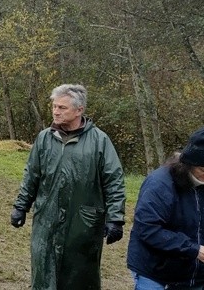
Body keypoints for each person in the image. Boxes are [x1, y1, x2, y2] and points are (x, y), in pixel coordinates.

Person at [9, 84, 126, 290]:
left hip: (83, 223)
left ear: (79, 110)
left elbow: (114, 181)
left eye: (62, 107)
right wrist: (21, 206)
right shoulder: (45, 138)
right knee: (44, 271)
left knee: (79, 275)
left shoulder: (99, 141)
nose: (56, 111)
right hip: (47, 218)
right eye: (54, 106)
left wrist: (115, 218)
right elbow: (32, 175)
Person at [127, 125, 204, 289]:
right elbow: (148, 228)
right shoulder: (159, 184)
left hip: (196, 277)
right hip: (156, 273)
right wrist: (193, 249)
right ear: (189, 163)